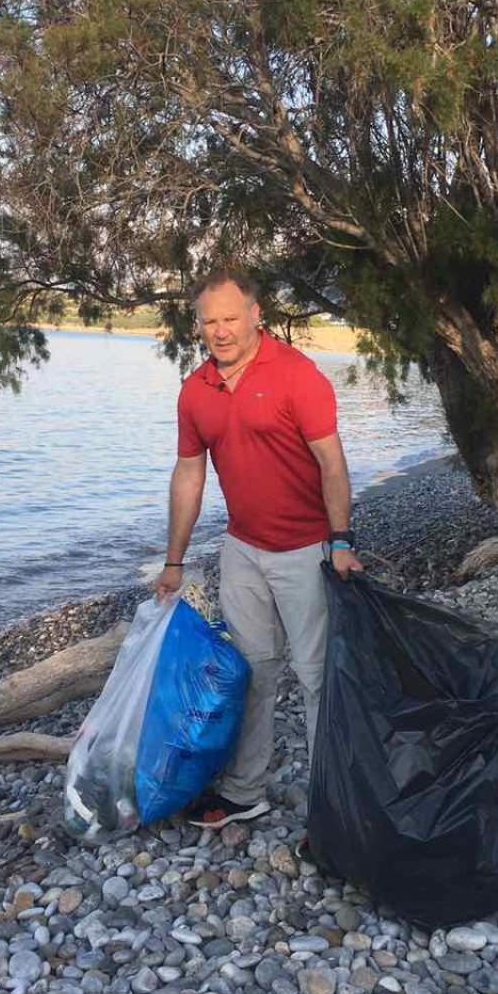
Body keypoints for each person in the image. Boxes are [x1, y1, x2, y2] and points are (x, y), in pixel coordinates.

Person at [154, 269, 363, 828]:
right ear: (197, 325)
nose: (220, 331)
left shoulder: (299, 377)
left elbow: (332, 464)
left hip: (306, 548)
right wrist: (174, 560)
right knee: (250, 670)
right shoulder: (195, 390)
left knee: (318, 675)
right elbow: (189, 476)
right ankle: (246, 790)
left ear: (255, 315)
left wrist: (341, 540)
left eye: (230, 318)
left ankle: (331, 800)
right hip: (241, 548)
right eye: (209, 321)